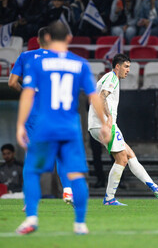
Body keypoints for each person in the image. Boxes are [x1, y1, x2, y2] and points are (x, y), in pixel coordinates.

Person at [15, 22, 111, 235]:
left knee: (32, 171)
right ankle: (80, 223)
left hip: (44, 126)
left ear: (47, 38)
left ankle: (31, 218)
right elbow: (93, 97)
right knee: (76, 174)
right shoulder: (80, 64)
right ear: (68, 38)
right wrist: (105, 123)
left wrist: (21, 124)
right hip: (70, 127)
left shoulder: (37, 64)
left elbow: (28, 94)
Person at [88, 53, 158, 206]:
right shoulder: (111, 78)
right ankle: (109, 198)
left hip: (100, 124)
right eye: (126, 66)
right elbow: (102, 97)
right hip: (104, 124)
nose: (128, 70)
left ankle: (154, 187)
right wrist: (109, 118)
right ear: (117, 66)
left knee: (129, 154)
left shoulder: (109, 77)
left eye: (129, 67)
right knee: (122, 159)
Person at [8, 26, 74, 204]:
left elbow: (12, 82)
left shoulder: (25, 56)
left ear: (38, 40)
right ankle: (67, 191)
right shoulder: (60, 58)